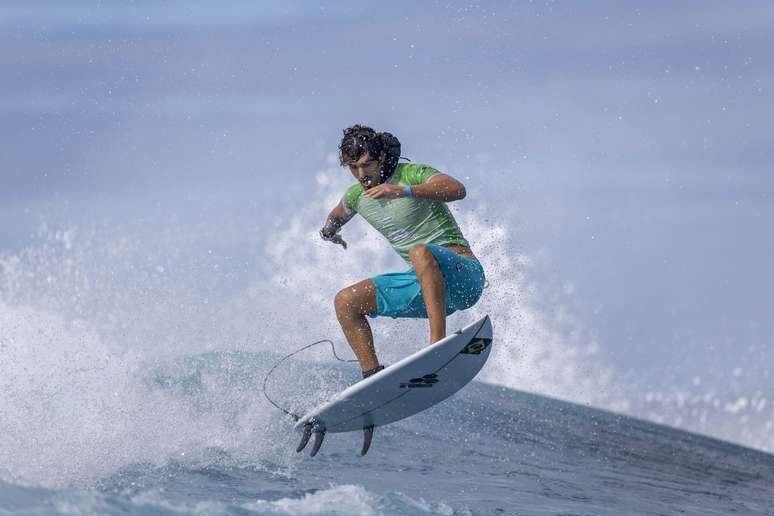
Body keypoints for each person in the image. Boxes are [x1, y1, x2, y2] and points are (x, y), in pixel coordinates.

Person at [320, 124, 485, 379]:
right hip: (424, 287)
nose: (361, 174)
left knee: (420, 252)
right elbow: (336, 216)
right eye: (354, 167)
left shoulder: (411, 174)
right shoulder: (356, 196)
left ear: (382, 157)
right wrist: (329, 233)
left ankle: (436, 348)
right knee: (345, 301)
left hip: (463, 275)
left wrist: (403, 191)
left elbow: (457, 189)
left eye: (367, 164)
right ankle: (372, 377)